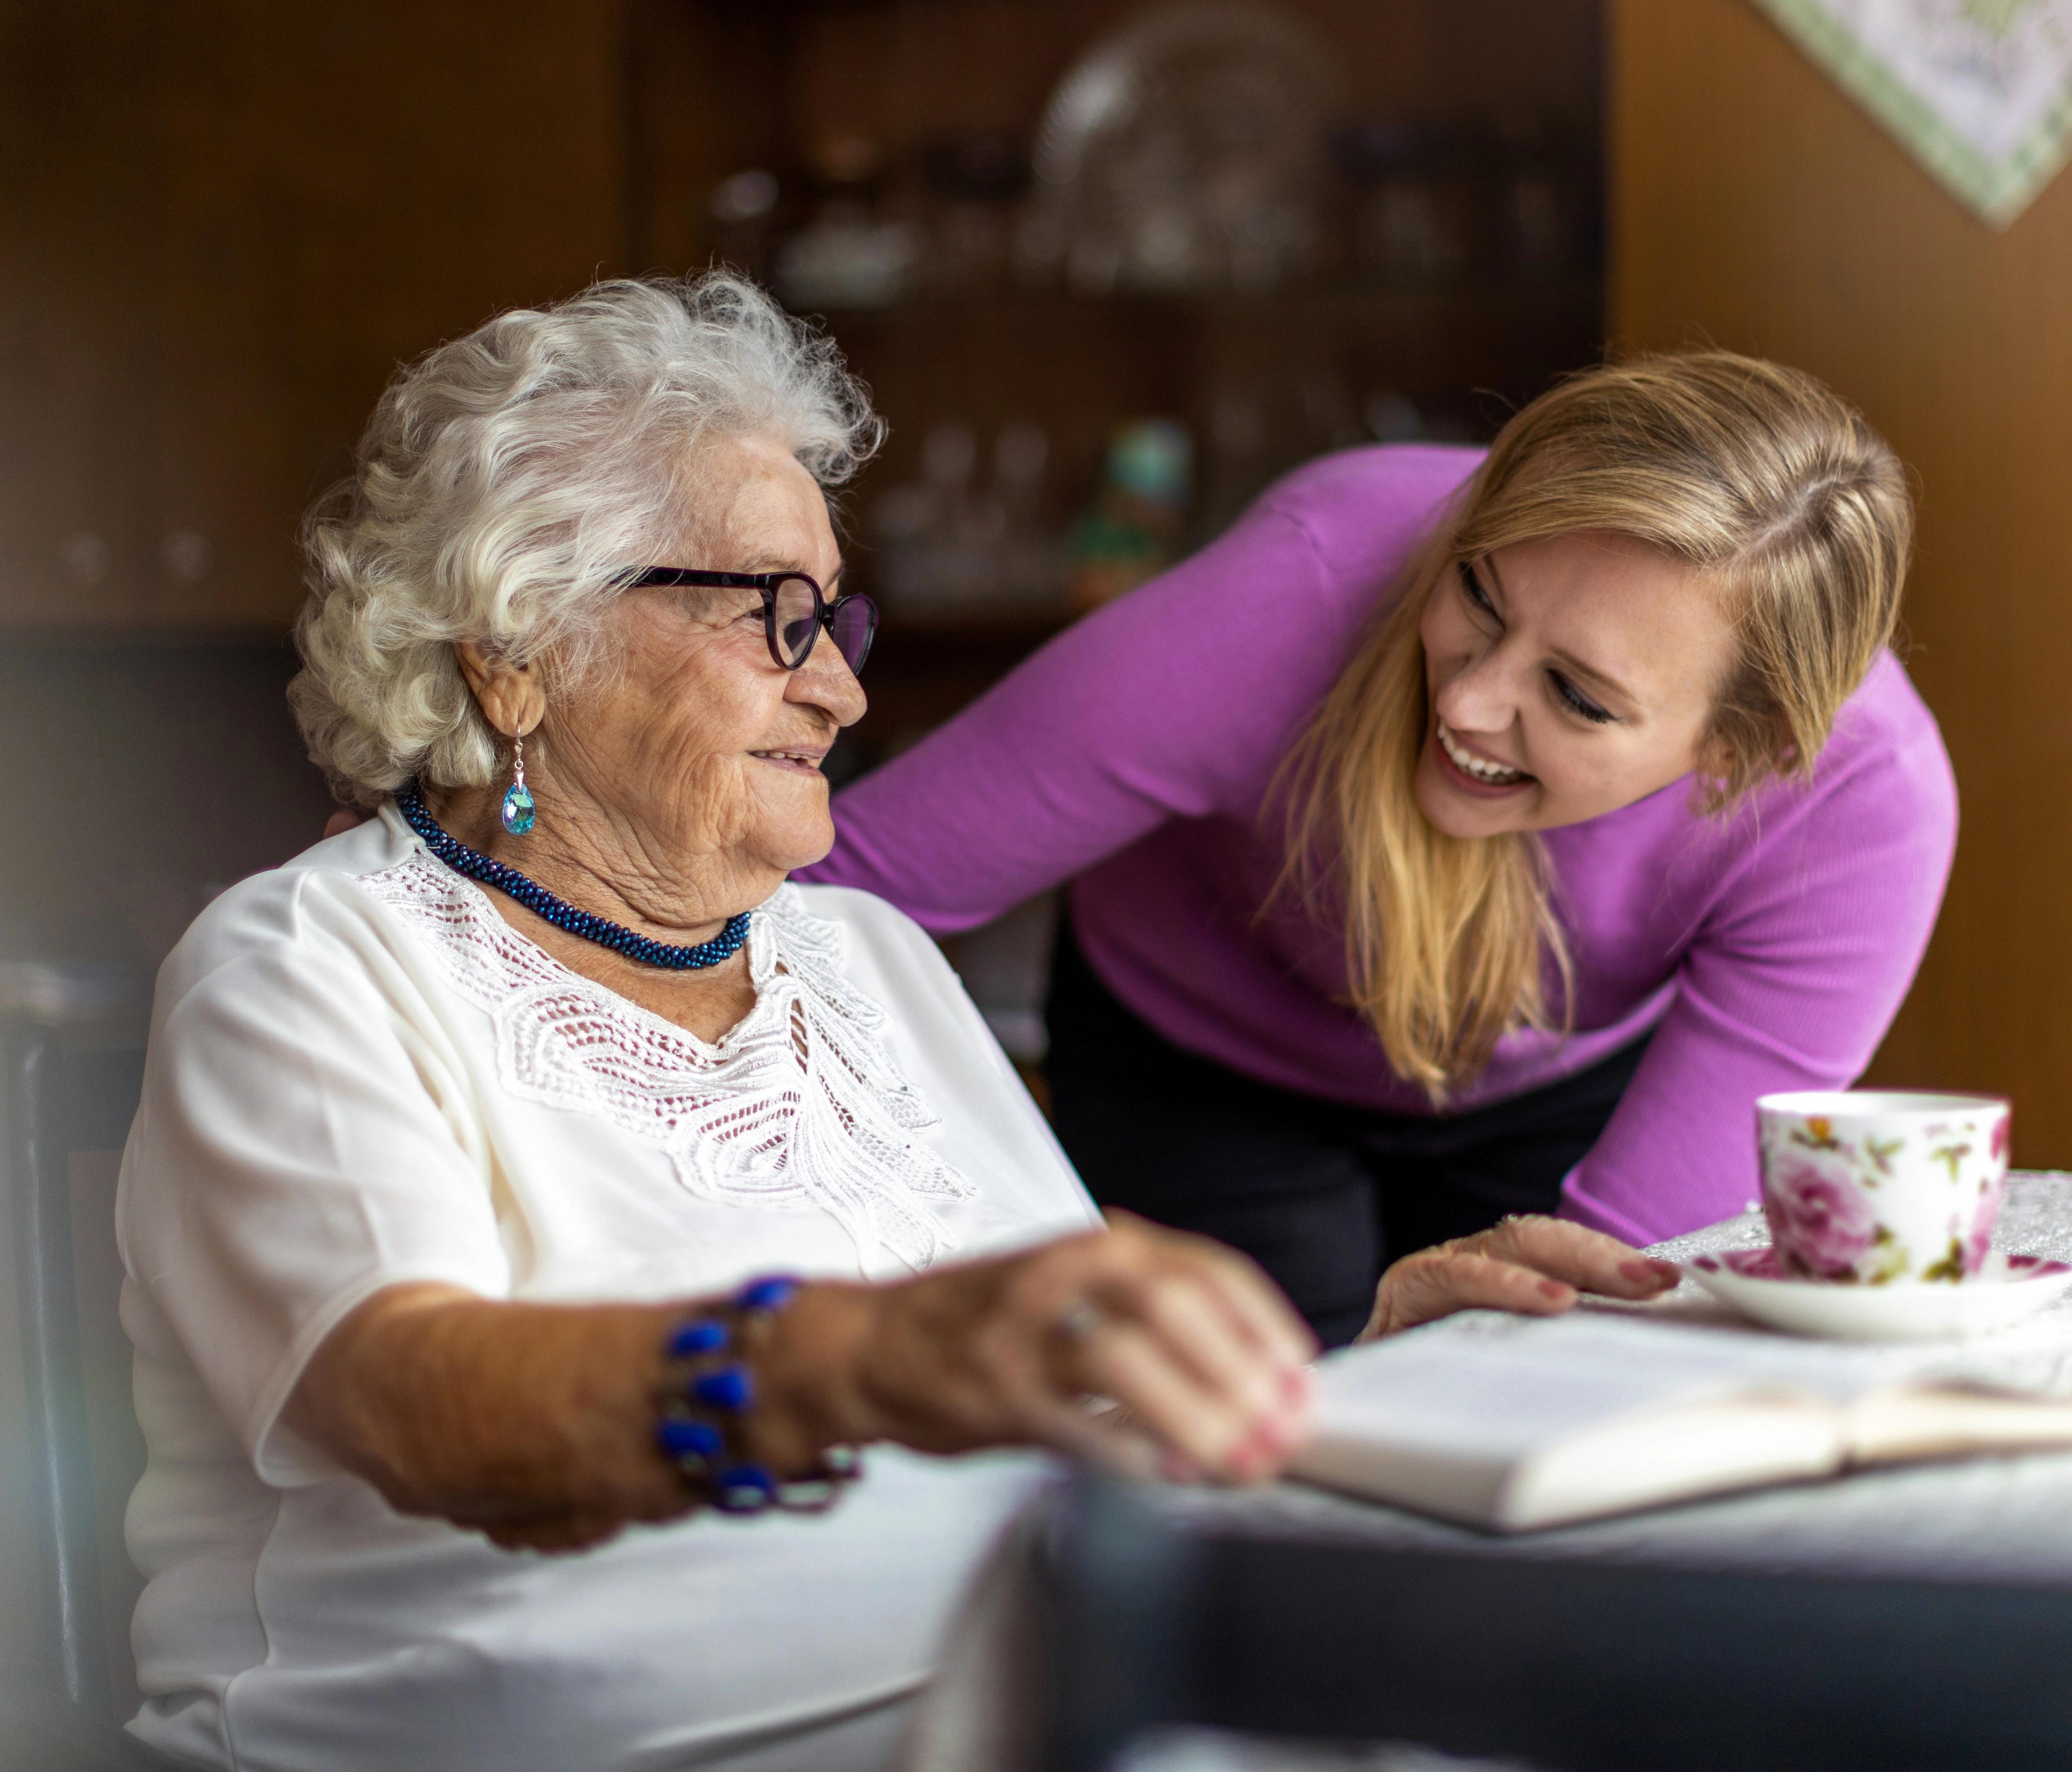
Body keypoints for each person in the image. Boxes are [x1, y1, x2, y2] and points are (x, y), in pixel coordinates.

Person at [117, 275, 1672, 1772]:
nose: (844, 700)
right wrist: (858, 1358)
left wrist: (1354, 1372)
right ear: (519, 657)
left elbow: (1055, 1387)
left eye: (833, 626)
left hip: (1027, 1710)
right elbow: (421, 1403)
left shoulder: (860, 958)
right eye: (771, 621)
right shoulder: (311, 962)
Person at [810, 354, 1958, 1346]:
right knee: (1239, 1455)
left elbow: (1621, 1300)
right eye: (1478, 590)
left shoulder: (1863, 806)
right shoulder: (1300, 585)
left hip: (1554, 1080)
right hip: (1202, 1051)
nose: (1467, 701)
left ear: (1741, 751)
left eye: (1574, 694)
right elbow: (829, 888)